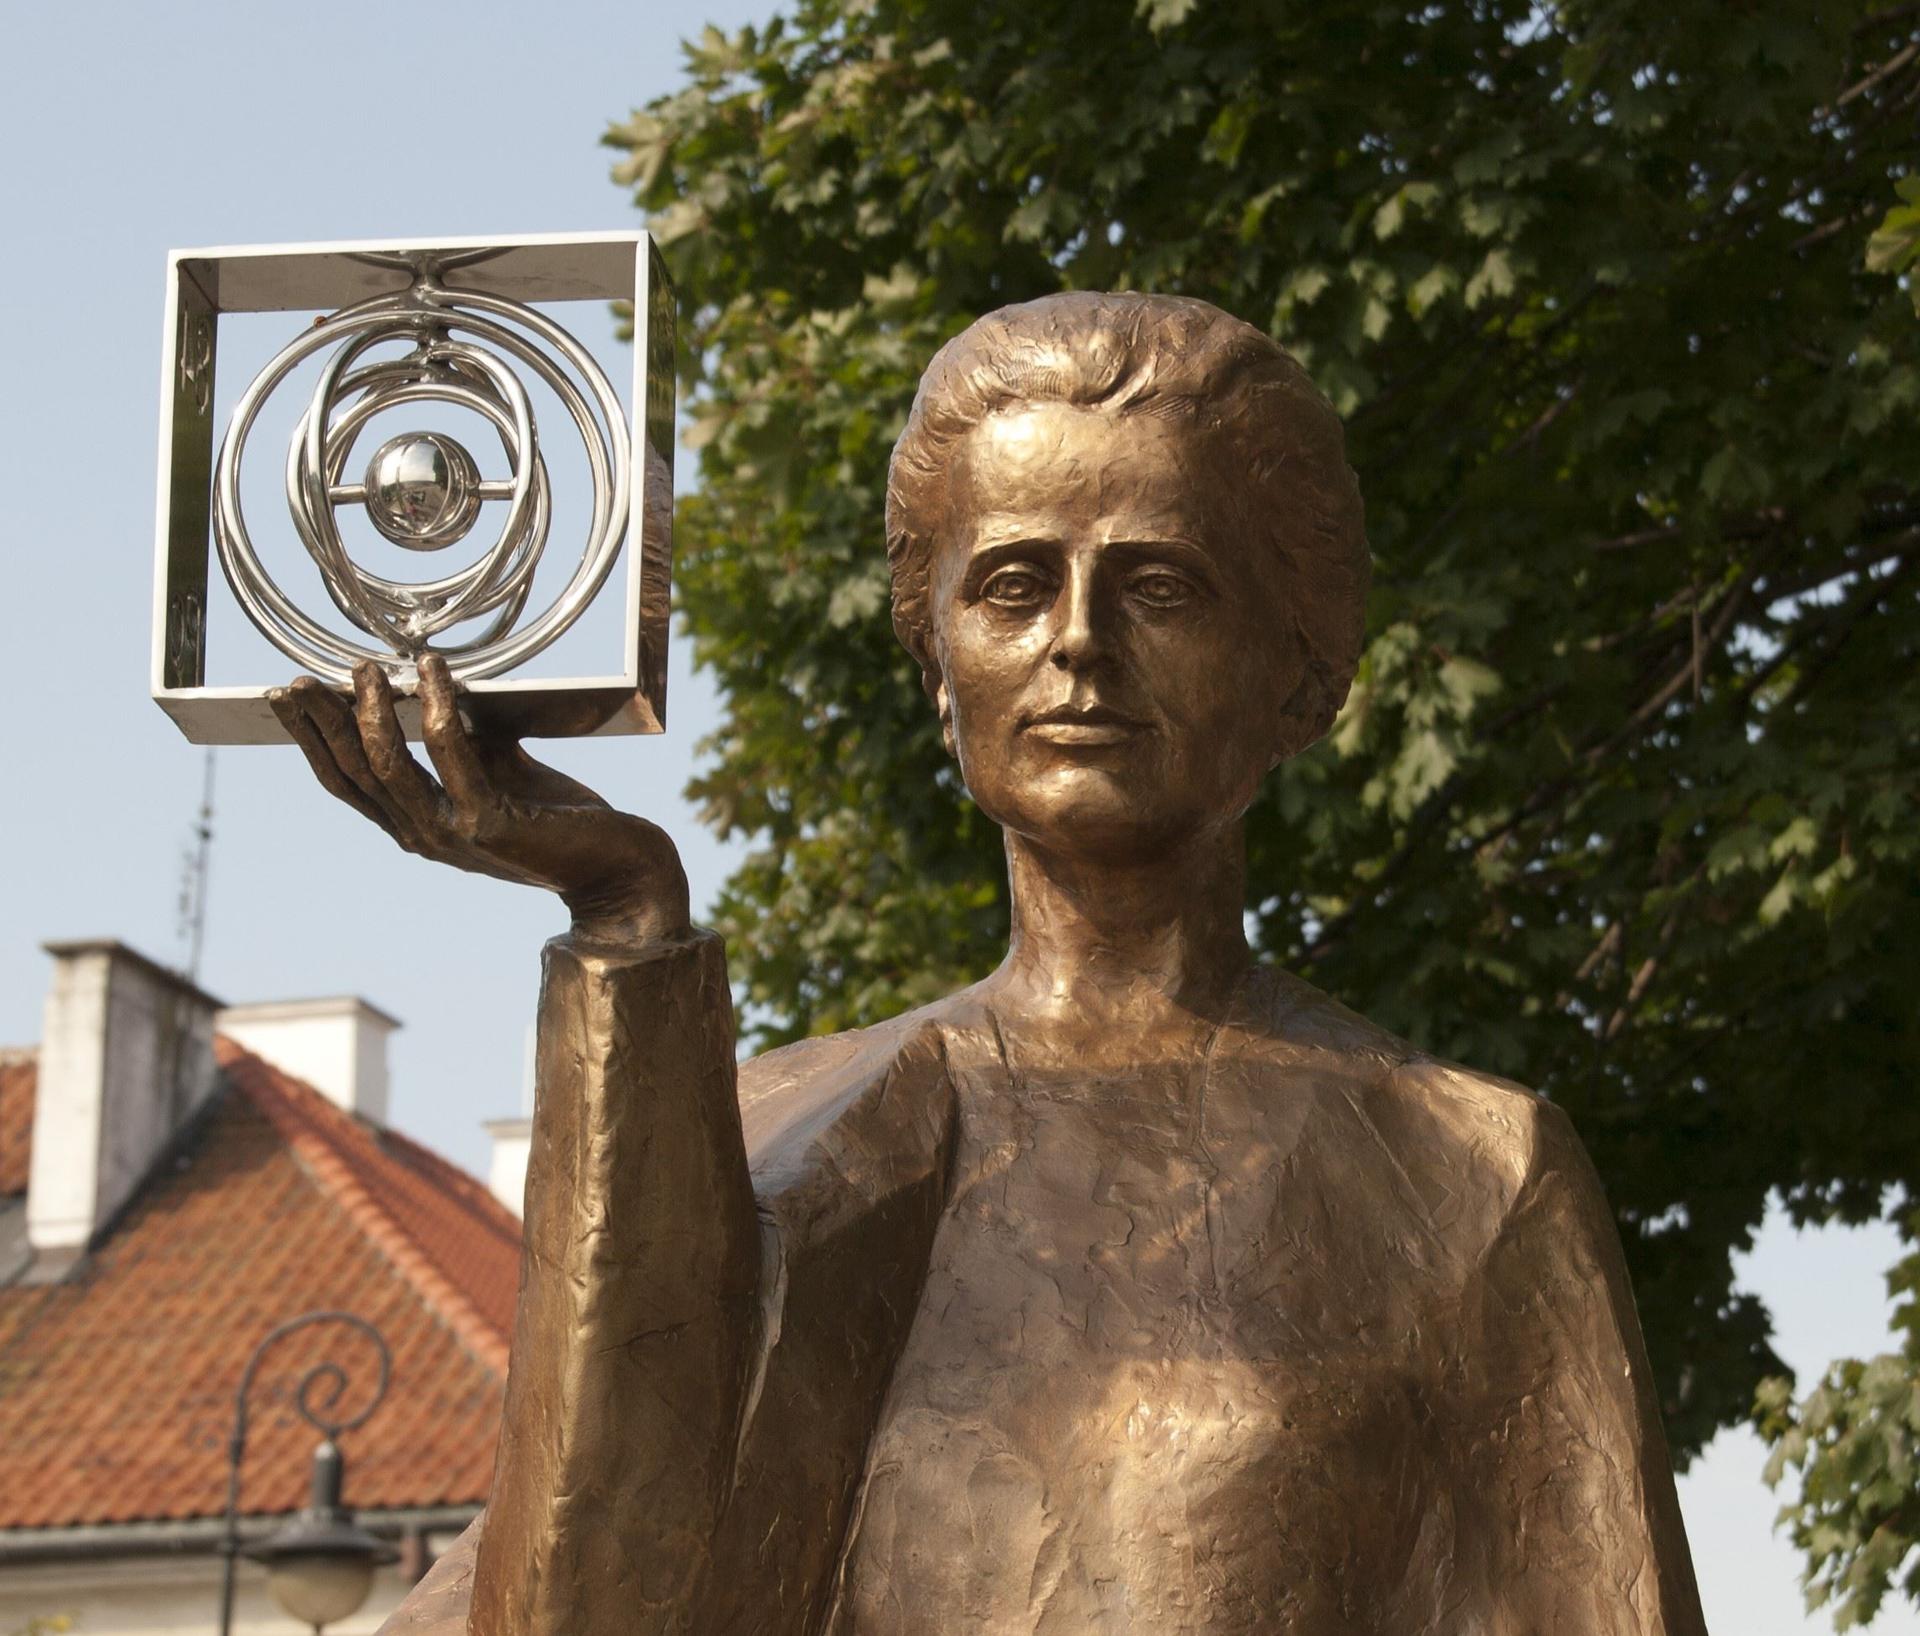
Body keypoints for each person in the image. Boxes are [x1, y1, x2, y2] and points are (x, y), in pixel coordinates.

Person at [274, 292, 1706, 1635]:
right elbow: (590, 1602)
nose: (1077, 644)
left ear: (1304, 670)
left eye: (1160, 587)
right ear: (937, 664)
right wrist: (627, 929)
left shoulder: (1471, 1174)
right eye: (1014, 586)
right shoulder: (784, 1133)